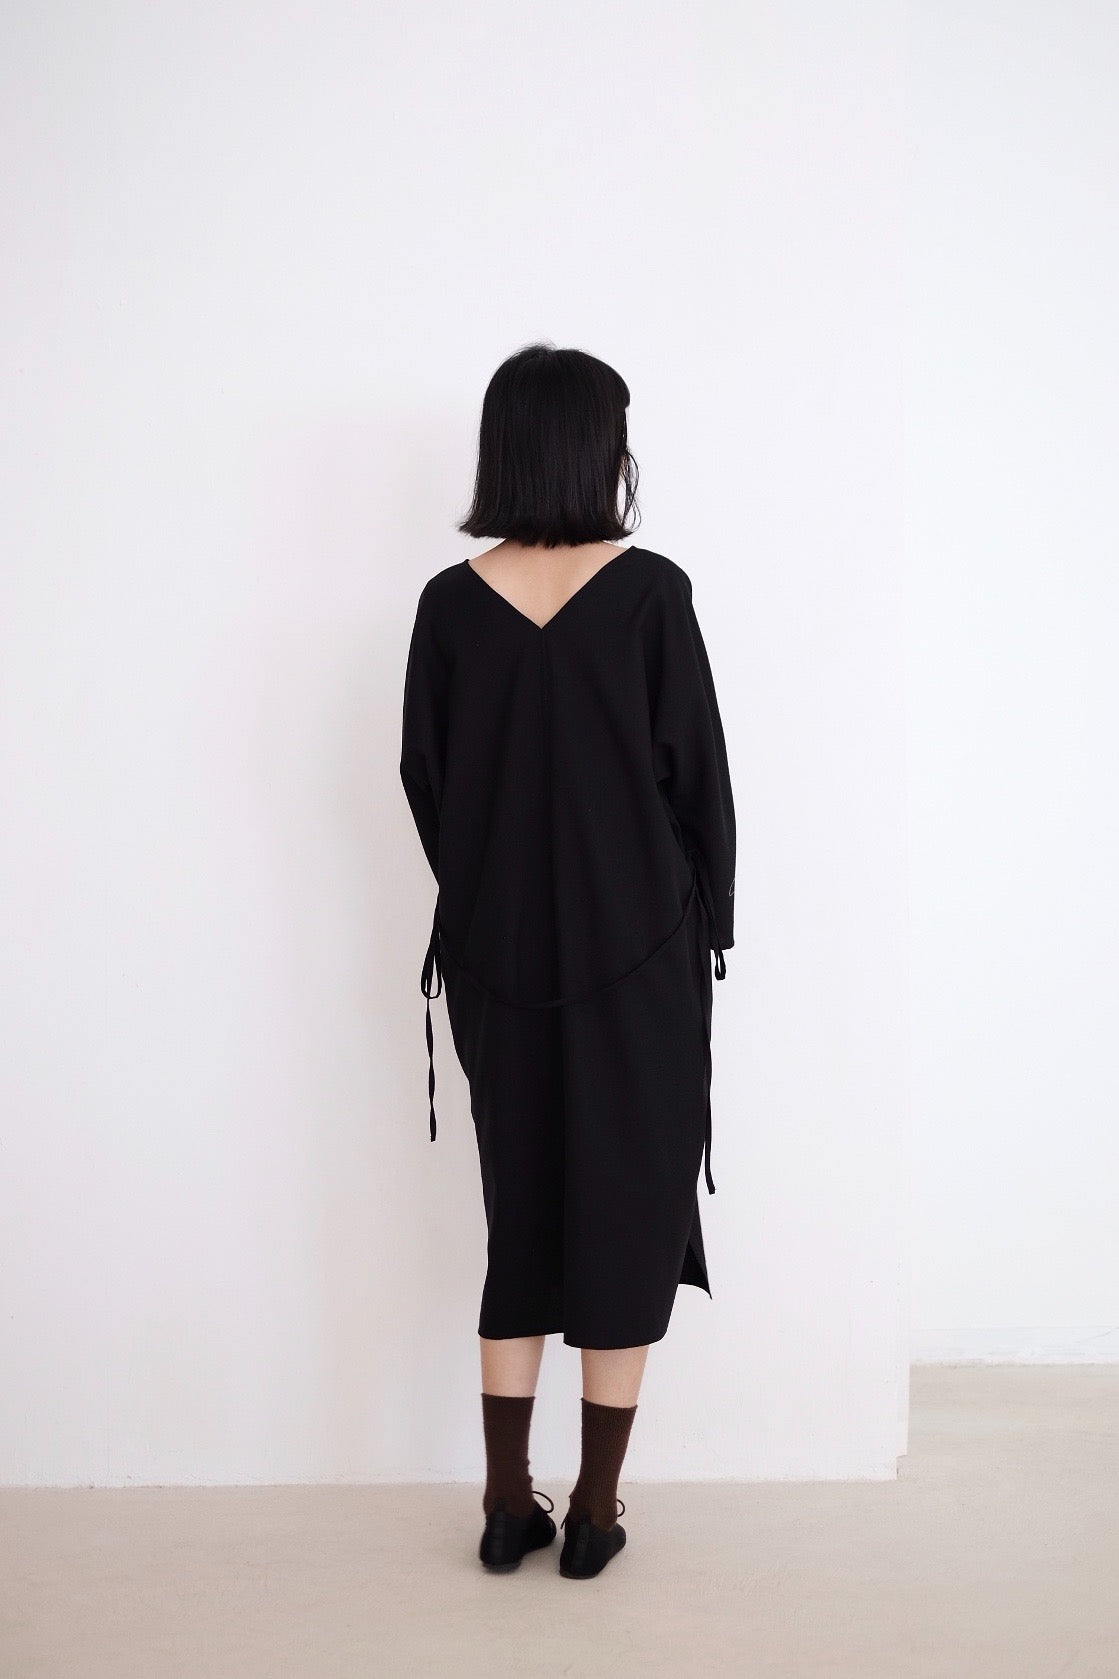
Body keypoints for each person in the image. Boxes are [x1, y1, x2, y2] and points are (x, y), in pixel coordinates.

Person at [399, 342, 735, 1579]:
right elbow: (698, 780)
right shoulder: (650, 594)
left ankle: (505, 1502)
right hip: (638, 961)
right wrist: (709, 922)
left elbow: (427, 780)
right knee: (626, 1217)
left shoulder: (449, 604)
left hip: (497, 964)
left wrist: (488, 897)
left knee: (523, 1224)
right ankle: (594, 1511)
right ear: (597, 448)